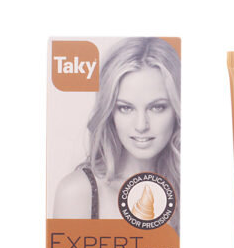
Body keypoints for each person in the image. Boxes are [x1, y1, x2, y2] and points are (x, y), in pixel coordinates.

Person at [54, 37, 180, 229]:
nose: (141, 125)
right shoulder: (78, 193)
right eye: (125, 108)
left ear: (177, 110)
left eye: (157, 107)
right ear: (110, 111)